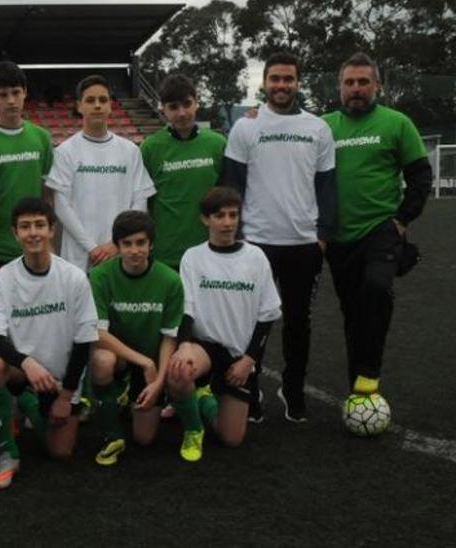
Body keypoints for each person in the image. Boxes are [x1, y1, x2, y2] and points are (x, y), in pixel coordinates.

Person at [221, 52, 337, 423]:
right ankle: (249, 390)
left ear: (297, 82)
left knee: (298, 322)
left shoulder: (317, 128)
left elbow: (327, 186)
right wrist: (238, 236)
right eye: (275, 79)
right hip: (256, 243)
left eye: (288, 79)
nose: (282, 85)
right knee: (252, 322)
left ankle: (293, 388)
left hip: (303, 244)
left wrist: (322, 236)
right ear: (265, 82)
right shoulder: (245, 128)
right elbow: (231, 185)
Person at [321, 52, 432, 407]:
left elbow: (420, 176)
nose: (356, 89)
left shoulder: (397, 123)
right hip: (340, 239)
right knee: (353, 315)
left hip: (381, 229)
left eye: (363, 82)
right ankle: (360, 389)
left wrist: (402, 219)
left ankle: (370, 373)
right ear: (340, 87)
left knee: (377, 287)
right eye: (349, 83)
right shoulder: (322, 127)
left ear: (377, 87)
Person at [0, 197, 98, 489]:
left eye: (39, 225)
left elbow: (84, 343)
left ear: (52, 230)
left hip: (60, 381)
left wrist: (65, 396)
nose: (33, 233)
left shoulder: (74, 277)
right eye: (25, 226)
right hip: (24, 370)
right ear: (15, 233)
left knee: (60, 452)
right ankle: (8, 453)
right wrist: (27, 363)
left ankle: (29, 403)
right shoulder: (4, 278)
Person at [166, 187, 281, 461]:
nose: (228, 222)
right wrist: (183, 346)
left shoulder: (256, 258)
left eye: (233, 215)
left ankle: (203, 399)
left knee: (231, 439)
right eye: (220, 216)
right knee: (179, 370)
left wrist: (248, 361)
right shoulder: (193, 257)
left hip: (237, 356)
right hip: (204, 348)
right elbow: (187, 309)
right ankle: (193, 430)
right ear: (206, 220)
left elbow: (267, 316)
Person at [87, 210, 183, 465]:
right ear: (117, 246)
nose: (134, 250)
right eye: (127, 244)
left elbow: (169, 339)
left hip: (151, 360)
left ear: (151, 244)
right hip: (122, 357)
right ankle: (112, 434)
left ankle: (130, 391)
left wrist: (158, 382)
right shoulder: (99, 276)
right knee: (101, 360)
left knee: (144, 439)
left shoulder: (170, 280)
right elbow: (98, 333)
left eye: (141, 243)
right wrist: (143, 362)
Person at [46, 74, 155, 272]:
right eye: (90, 100)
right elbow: (62, 205)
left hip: (121, 254)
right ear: (79, 106)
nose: (97, 105)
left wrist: (117, 243)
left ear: (111, 105)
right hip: (79, 259)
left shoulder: (130, 151)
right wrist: (92, 247)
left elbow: (139, 202)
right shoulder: (65, 152)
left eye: (103, 100)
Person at [0, 60, 54, 277]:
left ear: (25, 93)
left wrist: (50, 242)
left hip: (34, 246)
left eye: (16, 92)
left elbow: (47, 196)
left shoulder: (41, 138)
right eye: (2, 95)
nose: (11, 100)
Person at [140, 73, 226, 271]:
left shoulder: (218, 144)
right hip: (166, 254)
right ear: (163, 108)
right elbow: (142, 202)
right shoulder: (150, 148)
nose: (181, 113)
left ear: (197, 102)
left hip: (210, 250)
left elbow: (229, 197)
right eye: (173, 107)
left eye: (187, 104)